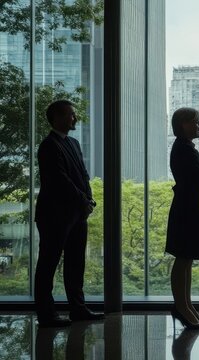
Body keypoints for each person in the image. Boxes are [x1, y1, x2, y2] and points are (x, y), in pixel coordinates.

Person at [34, 100, 104, 327]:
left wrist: (89, 199)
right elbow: (59, 179)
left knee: (76, 262)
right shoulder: (48, 146)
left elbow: (82, 175)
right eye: (71, 115)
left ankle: (78, 308)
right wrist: (84, 200)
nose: (75, 118)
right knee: (48, 263)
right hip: (54, 215)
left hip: (76, 213)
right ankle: (47, 313)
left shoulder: (72, 143)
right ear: (57, 117)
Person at [166, 107, 199, 330]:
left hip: (188, 206)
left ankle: (186, 306)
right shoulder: (185, 149)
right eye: (196, 122)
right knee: (183, 259)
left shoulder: (184, 148)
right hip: (188, 208)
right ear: (184, 124)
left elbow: (198, 176)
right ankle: (183, 307)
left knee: (185, 259)